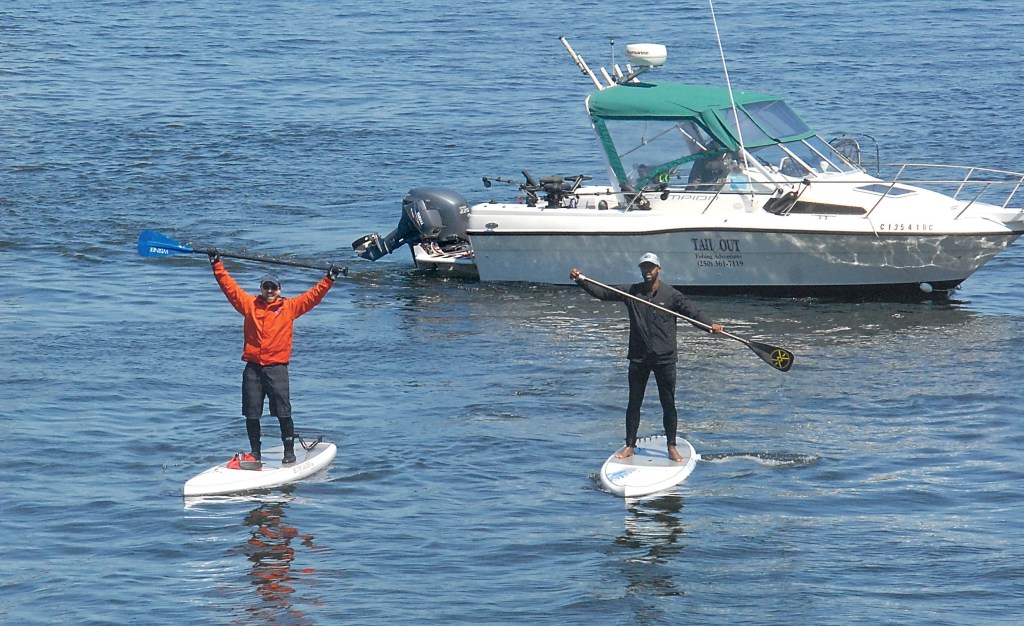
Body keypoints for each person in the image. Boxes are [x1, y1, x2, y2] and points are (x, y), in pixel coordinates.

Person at [570, 253, 723, 461]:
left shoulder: (672, 295)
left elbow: (693, 313)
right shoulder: (632, 292)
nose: (647, 271)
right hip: (639, 357)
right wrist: (581, 280)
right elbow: (603, 293)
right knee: (634, 403)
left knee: (668, 403)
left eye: (651, 267)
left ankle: (671, 447)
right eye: (644, 267)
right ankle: (629, 445)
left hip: (665, 358)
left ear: (658, 269)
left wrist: (710, 325)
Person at [208, 251, 344, 464]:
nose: (270, 291)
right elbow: (229, 288)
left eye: (273, 287)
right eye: (266, 287)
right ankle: (255, 453)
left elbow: (313, 297)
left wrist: (330, 278)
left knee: (283, 412)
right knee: (251, 413)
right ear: (261, 289)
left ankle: (289, 452)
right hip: (253, 368)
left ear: (279, 290)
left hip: (277, 368)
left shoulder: (290, 307)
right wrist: (216, 264)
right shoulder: (249, 305)